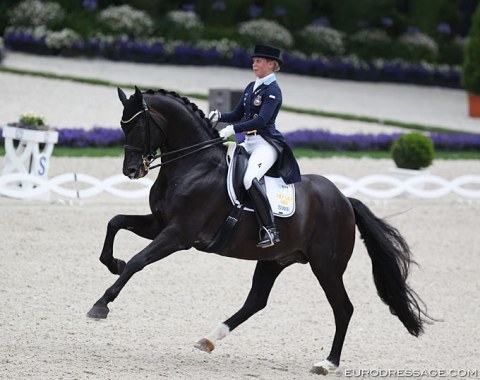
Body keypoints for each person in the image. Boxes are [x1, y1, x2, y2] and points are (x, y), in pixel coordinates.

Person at [209, 44, 301, 248]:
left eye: (259, 61)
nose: (254, 64)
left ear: (271, 64)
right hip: (246, 142)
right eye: (254, 60)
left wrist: (232, 129)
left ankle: (270, 229)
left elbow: (260, 121)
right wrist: (219, 116)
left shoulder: (273, 91)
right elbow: (236, 114)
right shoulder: (252, 86)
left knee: (250, 178)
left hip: (265, 144)